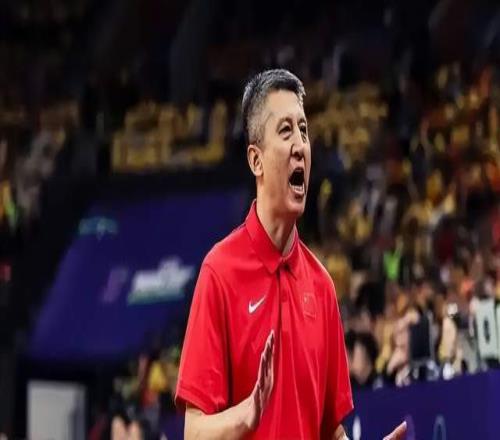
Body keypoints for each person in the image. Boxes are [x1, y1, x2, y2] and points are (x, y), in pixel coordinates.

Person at [175, 69, 407, 439]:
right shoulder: (219, 273)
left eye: (304, 130)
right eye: (285, 131)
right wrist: (247, 414)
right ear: (256, 160)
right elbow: (194, 432)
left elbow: (331, 431)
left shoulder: (322, 286)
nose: (300, 144)